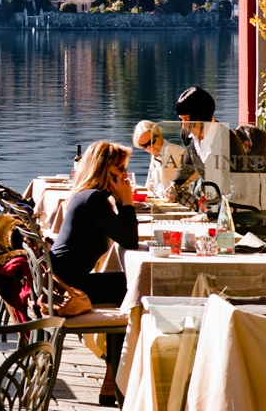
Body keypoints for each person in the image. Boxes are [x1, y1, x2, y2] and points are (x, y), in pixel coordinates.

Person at [49, 140, 138, 406]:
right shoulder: (95, 199)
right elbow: (130, 241)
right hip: (69, 287)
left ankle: (115, 374)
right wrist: (127, 200)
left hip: (61, 280)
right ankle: (115, 377)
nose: (123, 174)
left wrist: (122, 202)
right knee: (132, 288)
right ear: (104, 169)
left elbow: (123, 235)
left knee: (127, 285)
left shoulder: (86, 195)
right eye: (119, 168)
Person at [131, 120, 186, 198]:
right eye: (145, 146)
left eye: (152, 142)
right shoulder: (156, 155)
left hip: (177, 203)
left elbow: (194, 174)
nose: (150, 148)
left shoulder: (173, 151)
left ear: (160, 135)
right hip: (162, 202)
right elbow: (150, 187)